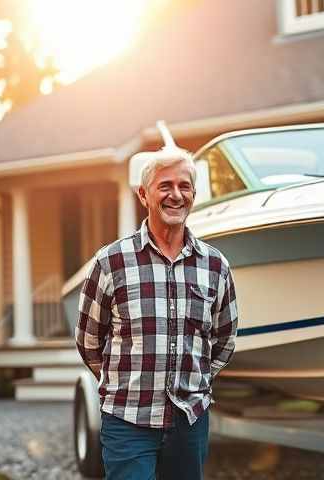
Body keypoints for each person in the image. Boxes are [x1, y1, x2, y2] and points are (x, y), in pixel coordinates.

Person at [75, 146, 238, 480]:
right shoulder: (111, 262)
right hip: (127, 420)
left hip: (189, 421)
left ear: (193, 194)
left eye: (184, 186)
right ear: (143, 195)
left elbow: (224, 339)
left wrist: (197, 383)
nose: (175, 195)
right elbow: (89, 340)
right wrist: (123, 385)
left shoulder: (215, 265)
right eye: (165, 186)